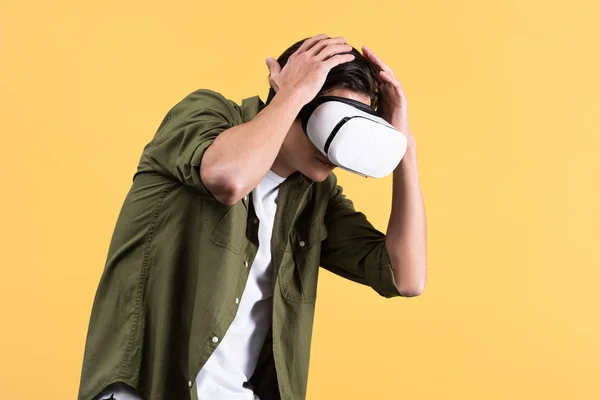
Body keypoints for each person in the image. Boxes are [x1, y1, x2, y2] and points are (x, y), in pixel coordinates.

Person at [78, 33, 427, 400]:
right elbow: (229, 180)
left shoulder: (315, 195)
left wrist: (406, 148)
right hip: (148, 387)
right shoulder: (206, 115)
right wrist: (293, 95)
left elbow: (406, 277)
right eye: (332, 116)